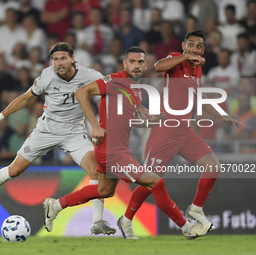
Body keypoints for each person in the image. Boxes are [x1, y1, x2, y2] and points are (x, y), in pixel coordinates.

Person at [43, 46, 212, 240]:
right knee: (155, 182)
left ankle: (55, 205)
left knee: (103, 190)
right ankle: (186, 227)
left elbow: (123, 120)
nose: (136, 66)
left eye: (140, 62)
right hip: (111, 151)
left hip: (119, 148)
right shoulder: (115, 80)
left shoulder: (136, 91)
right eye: (132, 62)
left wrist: (146, 118)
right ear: (125, 64)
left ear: (145, 65)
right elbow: (81, 92)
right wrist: (95, 125)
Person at [0, 42, 116, 235]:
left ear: (73, 59)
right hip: (46, 130)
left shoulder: (90, 76)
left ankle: (97, 220)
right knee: (15, 170)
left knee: (96, 171)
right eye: (56, 59)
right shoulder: (47, 76)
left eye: (63, 58)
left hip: (74, 132)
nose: (59, 63)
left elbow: (115, 90)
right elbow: (24, 98)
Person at [122, 30, 242, 237]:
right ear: (184, 46)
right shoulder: (175, 60)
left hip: (185, 132)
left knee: (213, 166)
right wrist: (186, 57)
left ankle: (195, 209)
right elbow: (158, 66)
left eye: (199, 46)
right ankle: (126, 220)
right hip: (165, 132)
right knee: (151, 182)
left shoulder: (197, 71)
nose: (194, 49)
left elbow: (199, 98)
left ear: (203, 50)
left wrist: (223, 116)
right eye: (191, 45)